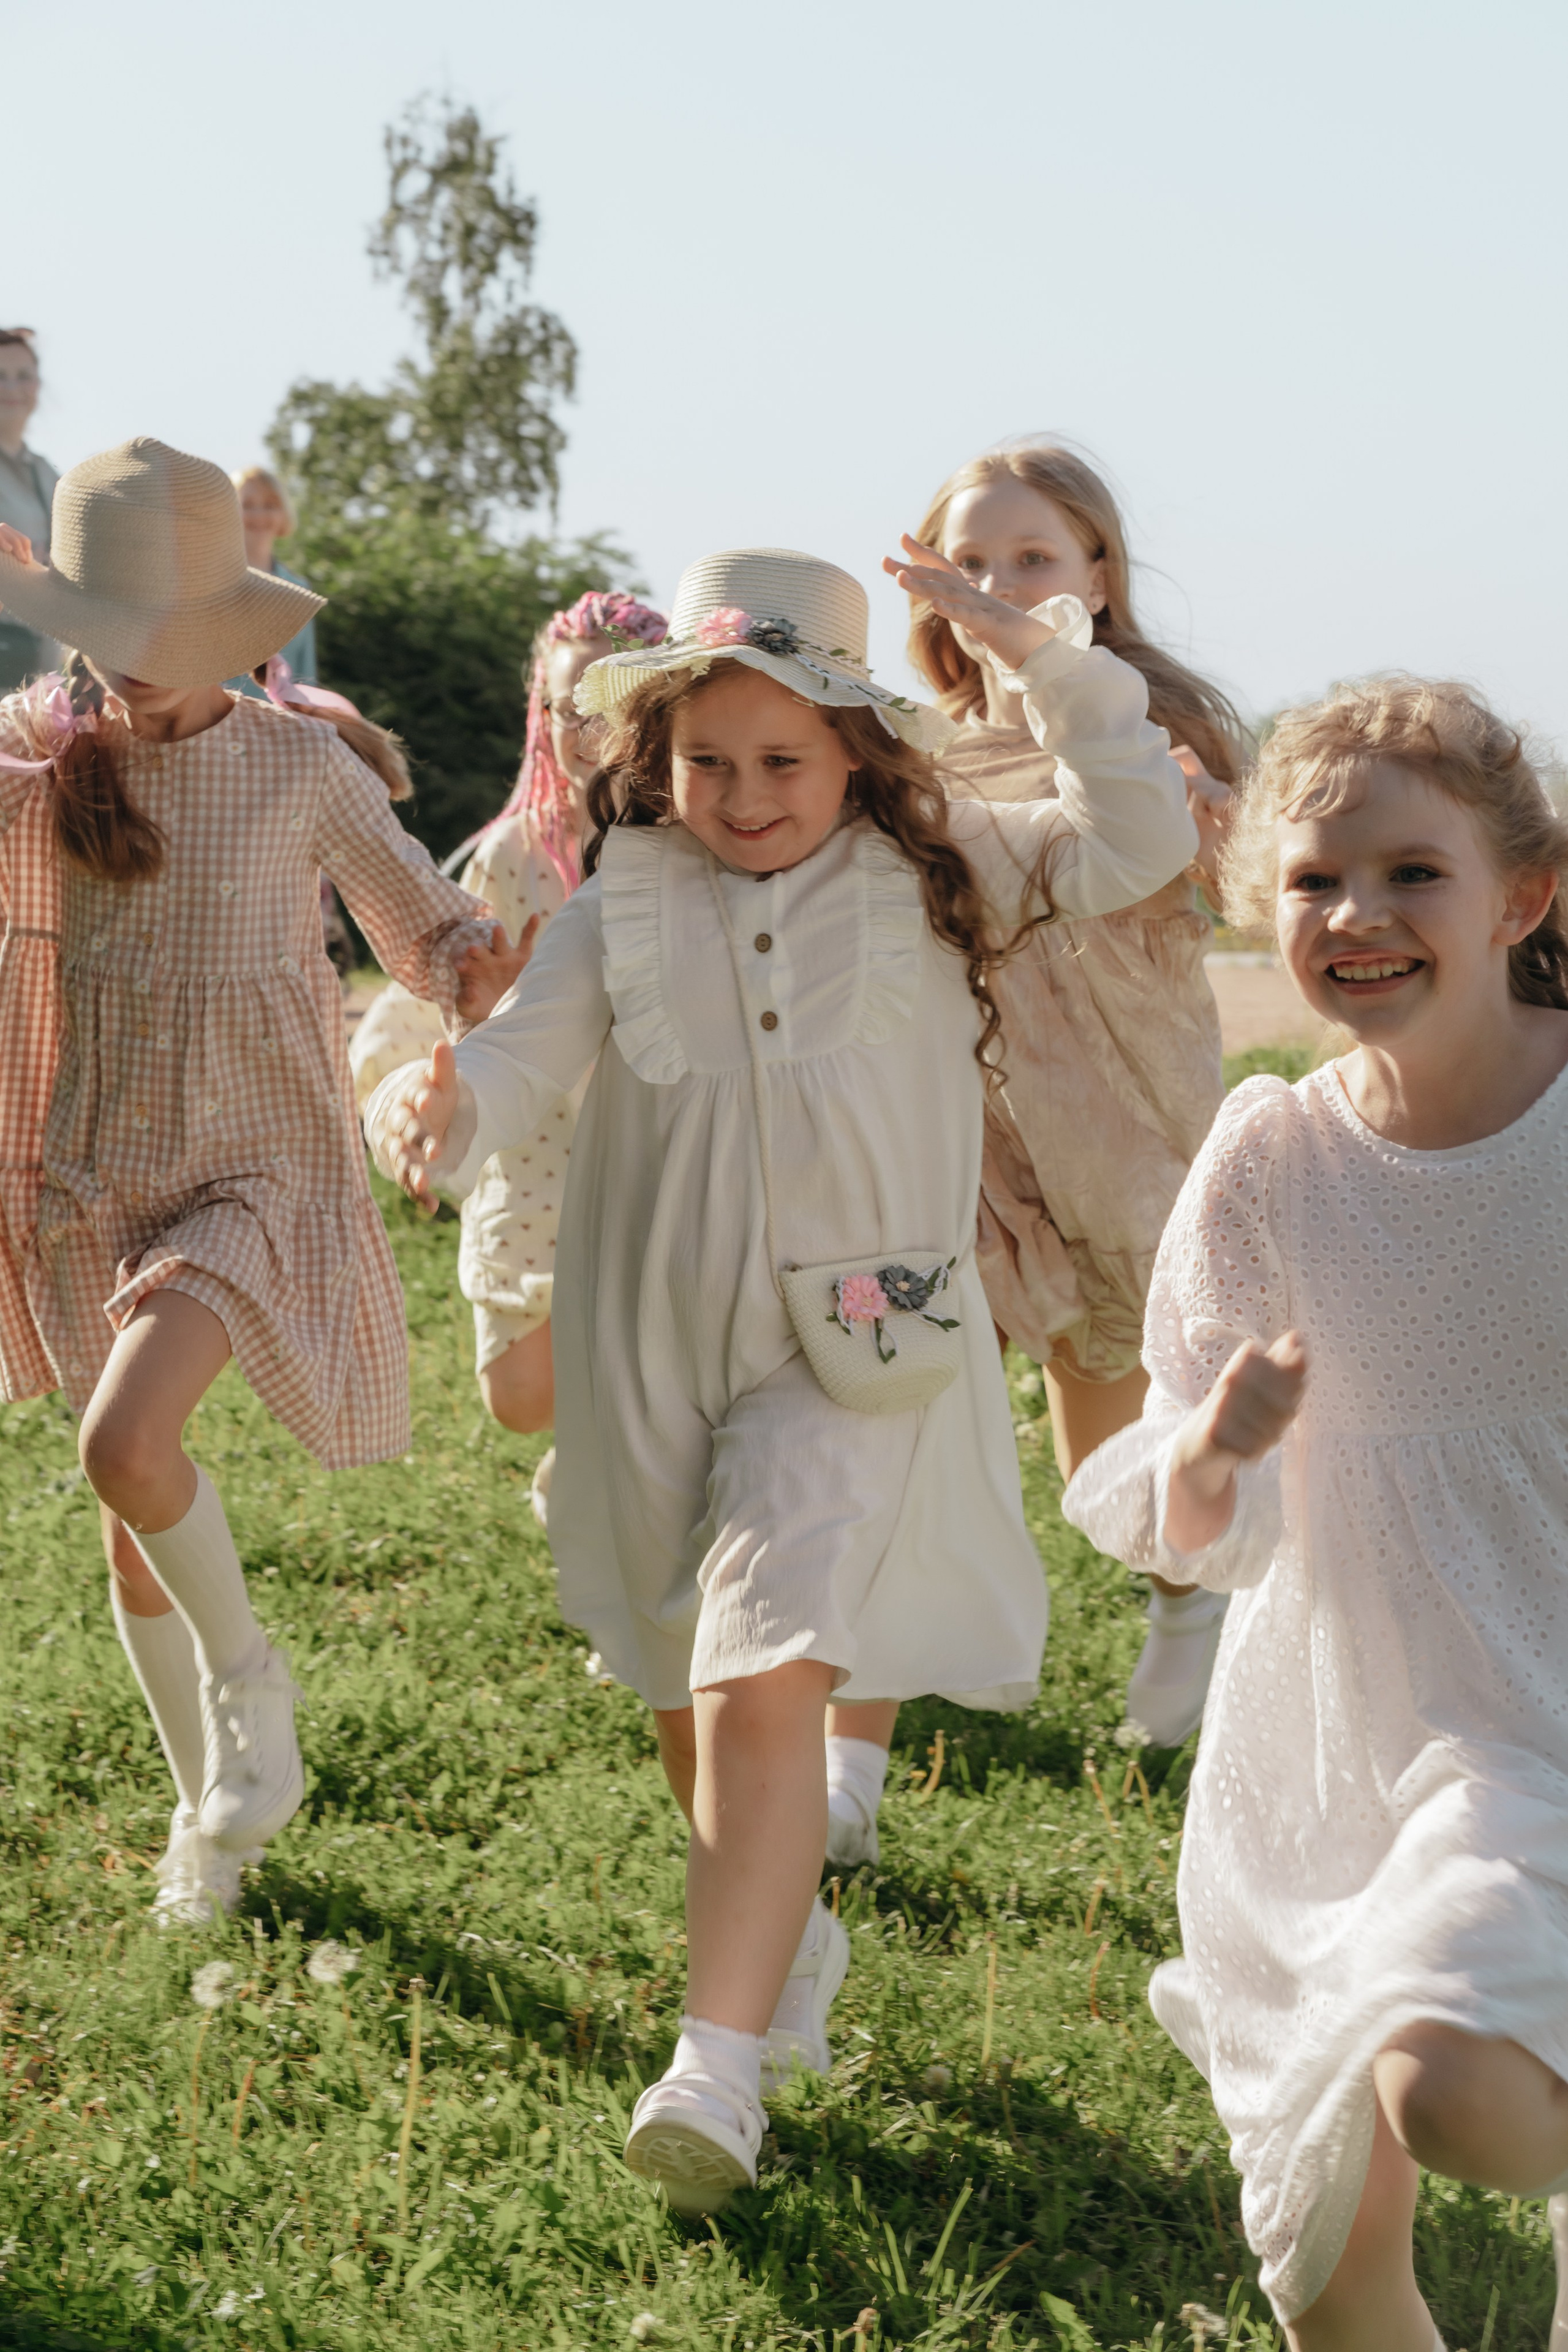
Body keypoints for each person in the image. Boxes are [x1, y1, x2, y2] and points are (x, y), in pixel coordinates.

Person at [366, 545, 1198, 2214]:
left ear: (861, 759)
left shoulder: (946, 867)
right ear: (655, 762)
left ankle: (716, 2071)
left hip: (861, 1351)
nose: (746, 797)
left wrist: (1053, 663)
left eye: (786, 761)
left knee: (770, 1668)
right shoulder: (622, 906)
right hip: (647, 1348)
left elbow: (1142, 835)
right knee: (696, 1687)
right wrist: (439, 1109)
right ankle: (784, 1934)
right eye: (710, 762)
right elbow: (522, 1062)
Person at [1063, 677, 1568, 2352]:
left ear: (1527, 896)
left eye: (1413, 872)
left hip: (1540, 1715)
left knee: (1460, 2090)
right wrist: (1213, 1448)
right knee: (1330, 2263)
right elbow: (1186, 1499)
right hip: (1342, 1737)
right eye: (1312, 882)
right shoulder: (1271, 1155)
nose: (1356, 914)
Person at [0, 438, 493, 1928]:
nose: (134, 673)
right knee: (126, 1506)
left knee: (124, 1442)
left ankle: (252, 1695)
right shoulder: (42, 749)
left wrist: (484, 967)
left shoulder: (299, 766)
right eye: (108, 639)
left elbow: (425, 921)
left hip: (257, 1164)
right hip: (100, 1165)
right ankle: (202, 1821)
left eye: (166, 642)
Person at [821, 444, 1241, 1866]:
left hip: (1125, 1123)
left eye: (1032, 560)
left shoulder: (1144, 726)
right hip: (975, 1145)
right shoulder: (916, 752)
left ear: (1096, 575)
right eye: (972, 564)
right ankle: (850, 1753)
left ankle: (1187, 1601)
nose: (997, 588)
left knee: (1111, 1471)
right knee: (900, 1415)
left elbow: (1193, 877)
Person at [350, 590, 666, 1518]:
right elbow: (444, 998)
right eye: (567, 706)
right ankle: (596, 1457)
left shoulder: (684, 848)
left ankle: (618, 1502)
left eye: (609, 707)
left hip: (644, 1140)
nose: (583, 730)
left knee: (644, 1355)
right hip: (533, 1153)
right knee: (520, 1398)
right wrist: (478, 1015)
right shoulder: (510, 855)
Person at [0, 330, 61, 693]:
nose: (12, 387)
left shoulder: (48, 474)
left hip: (40, 676)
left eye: (23, 376)